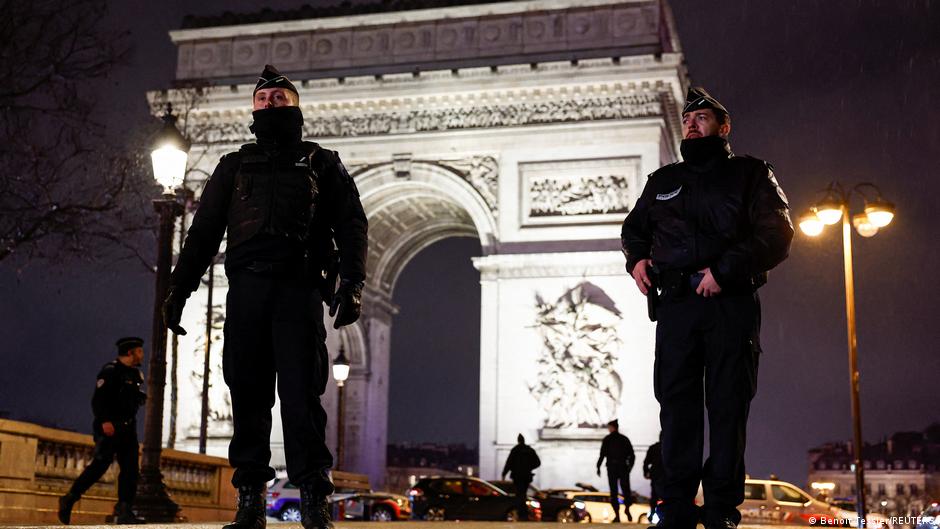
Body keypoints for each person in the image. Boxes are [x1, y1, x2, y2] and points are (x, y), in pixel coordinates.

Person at [162, 64, 368, 529]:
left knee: (302, 397)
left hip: (297, 289)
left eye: (278, 99)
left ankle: (314, 498)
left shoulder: (322, 161)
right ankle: (250, 500)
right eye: (261, 100)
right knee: (247, 395)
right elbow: (203, 233)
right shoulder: (233, 165)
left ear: (296, 106)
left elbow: (352, 225)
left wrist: (353, 282)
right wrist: (180, 286)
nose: (269, 105)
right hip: (248, 291)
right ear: (252, 110)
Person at [621, 87, 793, 529]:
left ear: (724, 125)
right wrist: (636, 258)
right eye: (687, 118)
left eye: (702, 116)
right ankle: (675, 507)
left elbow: (777, 233)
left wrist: (725, 270)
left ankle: (720, 510)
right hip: (677, 306)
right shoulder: (661, 181)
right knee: (675, 408)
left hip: (729, 304)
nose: (692, 123)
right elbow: (634, 229)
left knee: (727, 408)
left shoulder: (752, 174)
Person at [58, 337, 147, 525]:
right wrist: (105, 421)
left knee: (131, 470)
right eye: (139, 351)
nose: (142, 355)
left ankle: (125, 510)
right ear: (130, 352)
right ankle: (70, 498)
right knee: (99, 467)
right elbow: (98, 401)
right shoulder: (110, 371)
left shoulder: (135, 374)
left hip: (128, 429)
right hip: (110, 428)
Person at [596, 419, 635, 522]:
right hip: (623, 468)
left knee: (614, 492)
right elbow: (632, 455)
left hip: (612, 468)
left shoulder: (607, 439)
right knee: (626, 491)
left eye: (609, 427)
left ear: (612, 427)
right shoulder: (624, 439)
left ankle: (617, 515)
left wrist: (598, 467)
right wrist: (629, 467)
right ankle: (627, 509)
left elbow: (602, 455)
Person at [501, 434, 541, 521]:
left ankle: (521, 514)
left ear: (518, 440)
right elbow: (537, 462)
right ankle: (524, 514)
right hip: (526, 476)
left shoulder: (515, 450)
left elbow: (508, 463)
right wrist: (529, 468)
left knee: (519, 495)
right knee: (523, 494)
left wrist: (504, 474)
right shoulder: (529, 450)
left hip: (517, 476)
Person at [643, 432, 664, 520]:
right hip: (666, 475)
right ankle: (663, 515)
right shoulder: (671, 447)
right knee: (667, 496)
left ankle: (652, 512)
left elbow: (646, 462)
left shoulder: (653, 448)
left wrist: (646, 472)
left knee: (654, 495)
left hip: (655, 475)